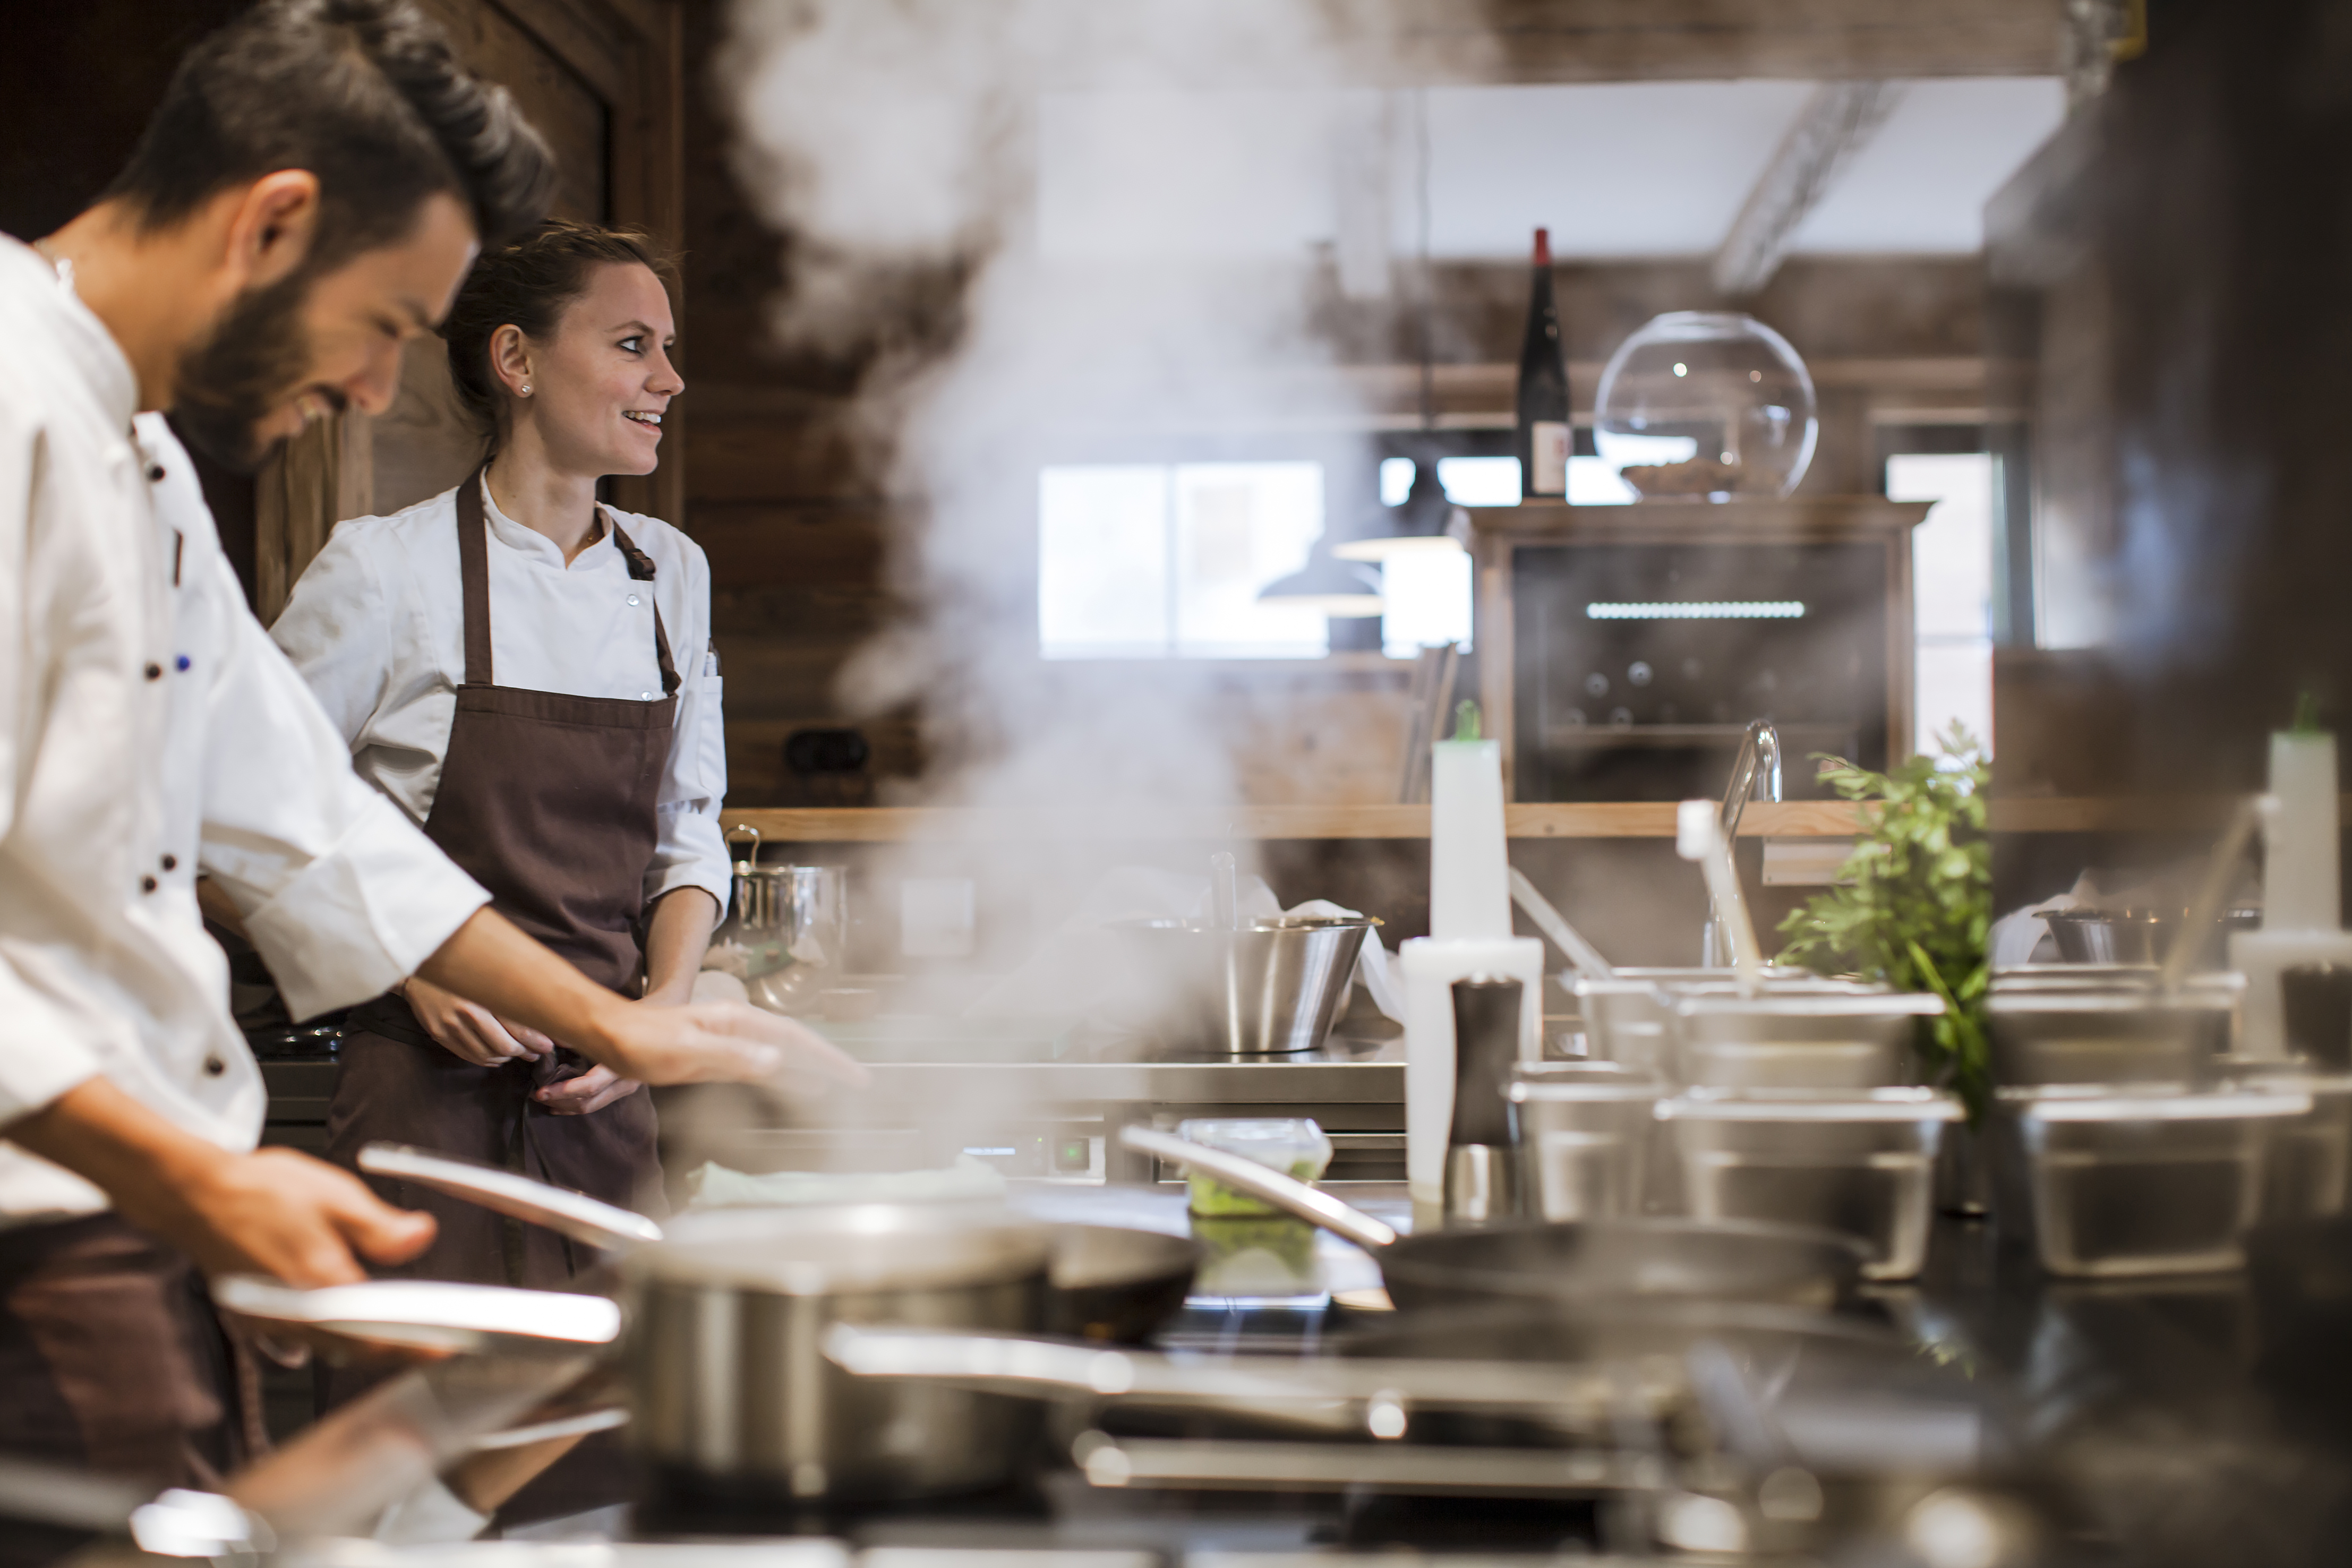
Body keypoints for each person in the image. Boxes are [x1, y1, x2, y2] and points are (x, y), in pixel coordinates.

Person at [0, 0, 856, 1530]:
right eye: (388, 323)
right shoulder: (12, 403)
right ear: (274, 223)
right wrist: (193, 1177)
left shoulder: (138, 462)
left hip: (124, 1220)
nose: (383, 392)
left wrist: (628, 1030)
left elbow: (304, 820)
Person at [273, 219, 723, 1289]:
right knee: (418, 1437)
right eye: (631, 345)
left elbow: (687, 833)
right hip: (426, 1109)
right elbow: (252, 822)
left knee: (604, 1438)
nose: (670, 377)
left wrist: (654, 1016)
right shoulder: (382, 571)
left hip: (608, 1117)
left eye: (665, 346)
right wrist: (410, 964)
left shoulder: (671, 575)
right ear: (515, 360)